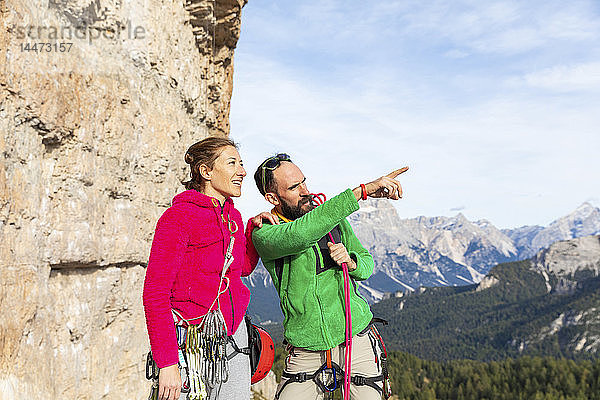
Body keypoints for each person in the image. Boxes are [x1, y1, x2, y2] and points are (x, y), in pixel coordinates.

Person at [251, 153, 407, 400]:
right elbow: (300, 234)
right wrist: (361, 191)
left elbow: (367, 265)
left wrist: (351, 262)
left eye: (304, 181)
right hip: (306, 346)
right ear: (272, 198)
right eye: (294, 187)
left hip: (355, 338)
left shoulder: (334, 220)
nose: (305, 191)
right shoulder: (266, 233)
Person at [143, 137, 277, 400]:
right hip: (188, 340)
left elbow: (241, 270)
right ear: (206, 172)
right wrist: (167, 363)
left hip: (233, 338)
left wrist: (251, 231)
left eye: (241, 163)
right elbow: (155, 293)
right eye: (232, 163)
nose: (242, 171)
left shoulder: (233, 217)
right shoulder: (178, 218)